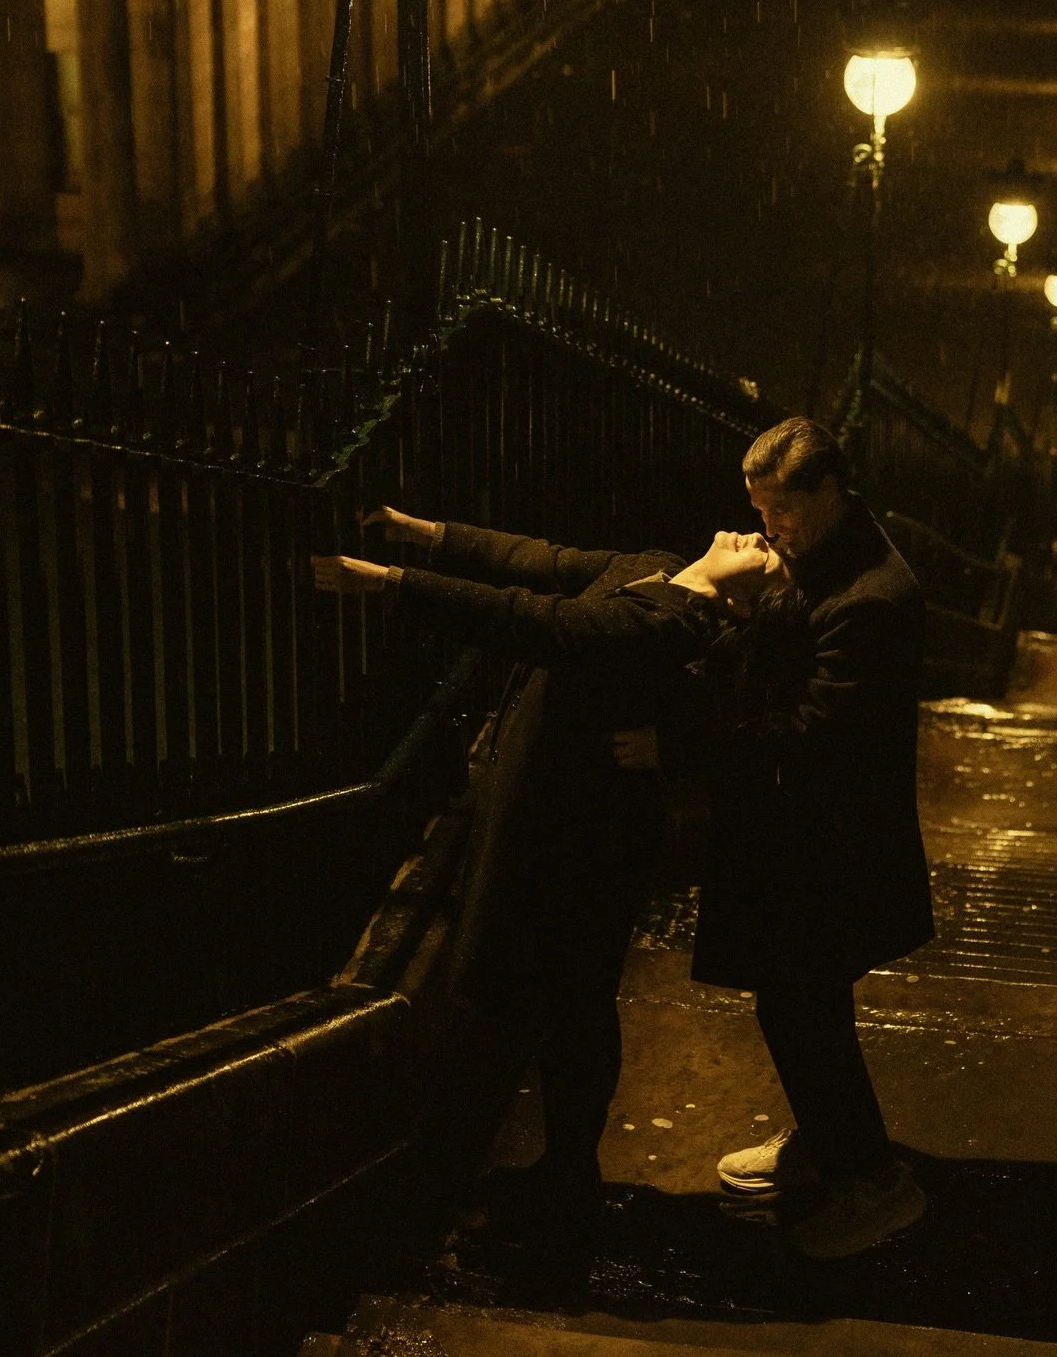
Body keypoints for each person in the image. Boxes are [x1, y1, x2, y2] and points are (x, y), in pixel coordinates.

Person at [312, 513, 774, 1264]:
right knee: (566, 1009)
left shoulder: (660, 626)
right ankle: (561, 1181)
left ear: (745, 602)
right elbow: (544, 558)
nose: (751, 534)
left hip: (570, 851)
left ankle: (474, 1198)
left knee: (519, 1009)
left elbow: (530, 619)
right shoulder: (656, 561)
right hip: (562, 834)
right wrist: (421, 531)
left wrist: (384, 580)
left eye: (768, 550)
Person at [697, 416, 933, 1259]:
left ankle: (872, 1182)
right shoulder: (826, 555)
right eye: (759, 509)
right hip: (811, 843)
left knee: (804, 1007)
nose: (769, 530)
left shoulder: (869, 600)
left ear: (830, 493)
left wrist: (688, 740)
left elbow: (806, 736)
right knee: (800, 1003)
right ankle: (831, 1142)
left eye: (783, 511)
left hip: (835, 852)